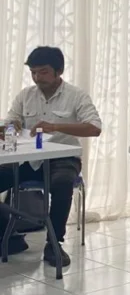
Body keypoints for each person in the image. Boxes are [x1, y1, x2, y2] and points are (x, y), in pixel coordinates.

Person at [0, 47, 102, 267]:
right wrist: (11, 126)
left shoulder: (76, 95)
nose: (37, 77)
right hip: (28, 159)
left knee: (62, 183)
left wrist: (55, 126)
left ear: (59, 71)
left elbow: (94, 128)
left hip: (63, 159)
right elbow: (9, 121)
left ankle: (54, 244)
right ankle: (8, 237)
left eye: (43, 72)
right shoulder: (25, 95)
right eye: (33, 72)